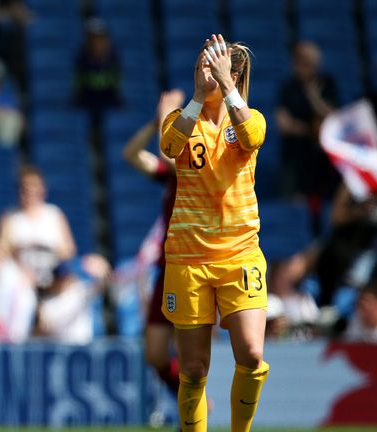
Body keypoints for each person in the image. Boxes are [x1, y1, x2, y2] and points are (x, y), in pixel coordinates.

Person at [159, 34, 269, 431]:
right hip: (188, 258)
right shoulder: (180, 119)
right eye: (199, 67)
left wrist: (227, 87)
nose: (202, 74)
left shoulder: (250, 118)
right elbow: (170, 146)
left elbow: (252, 137)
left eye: (213, 67)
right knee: (192, 369)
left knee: (253, 354)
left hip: (240, 253)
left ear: (233, 76)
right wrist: (196, 96)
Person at [122, 89, 185, 405]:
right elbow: (131, 154)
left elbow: (167, 153)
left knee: (191, 353)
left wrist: (167, 113)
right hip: (166, 268)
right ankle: (191, 405)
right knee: (156, 352)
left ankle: (195, 416)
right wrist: (154, 122)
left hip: (192, 267)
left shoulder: (193, 171)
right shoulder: (171, 176)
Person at [275, 41, 340, 236]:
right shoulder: (288, 87)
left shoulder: (326, 83)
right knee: (293, 207)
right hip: (295, 156)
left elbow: (333, 118)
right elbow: (284, 125)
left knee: (324, 207)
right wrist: (310, 130)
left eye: (312, 62)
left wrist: (314, 99)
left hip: (322, 159)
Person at [0, 165, 77, 292]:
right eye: (25, 188)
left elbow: (69, 250)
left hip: (52, 278)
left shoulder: (54, 214)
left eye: (34, 187)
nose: (30, 192)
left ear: (42, 189)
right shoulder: (10, 217)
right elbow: (2, 250)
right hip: (20, 280)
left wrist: (45, 248)